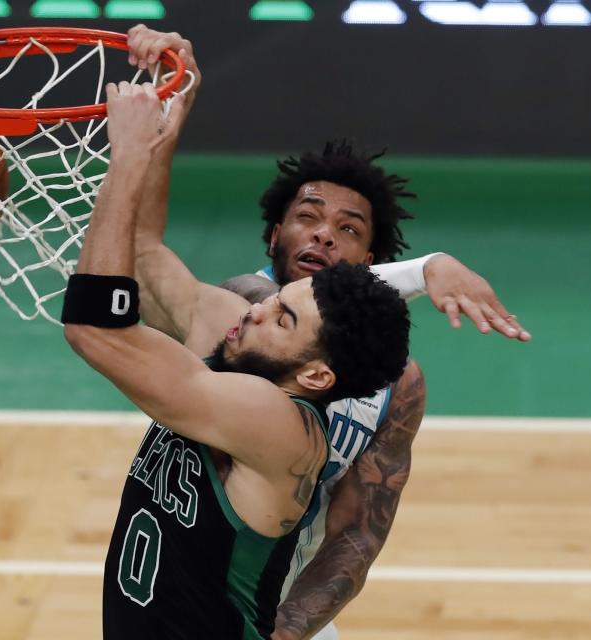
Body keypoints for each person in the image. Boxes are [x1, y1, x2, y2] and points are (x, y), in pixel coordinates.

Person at [123, 24, 530, 640]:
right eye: (307, 218)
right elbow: (144, 259)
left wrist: (285, 630)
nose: (322, 235)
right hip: (182, 599)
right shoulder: (241, 311)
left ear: (369, 263)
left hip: (281, 613)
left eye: (348, 229)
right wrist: (426, 269)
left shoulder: (398, 386)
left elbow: (358, 530)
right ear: (273, 237)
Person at [63, 81, 413, 640]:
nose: (255, 309)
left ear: (317, 375)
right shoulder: (241, 339)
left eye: (282, 317)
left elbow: (95, 328)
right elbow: (147, 252)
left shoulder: (273, 420)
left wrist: (126, 154)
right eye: (275, 298)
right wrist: (160, 138)